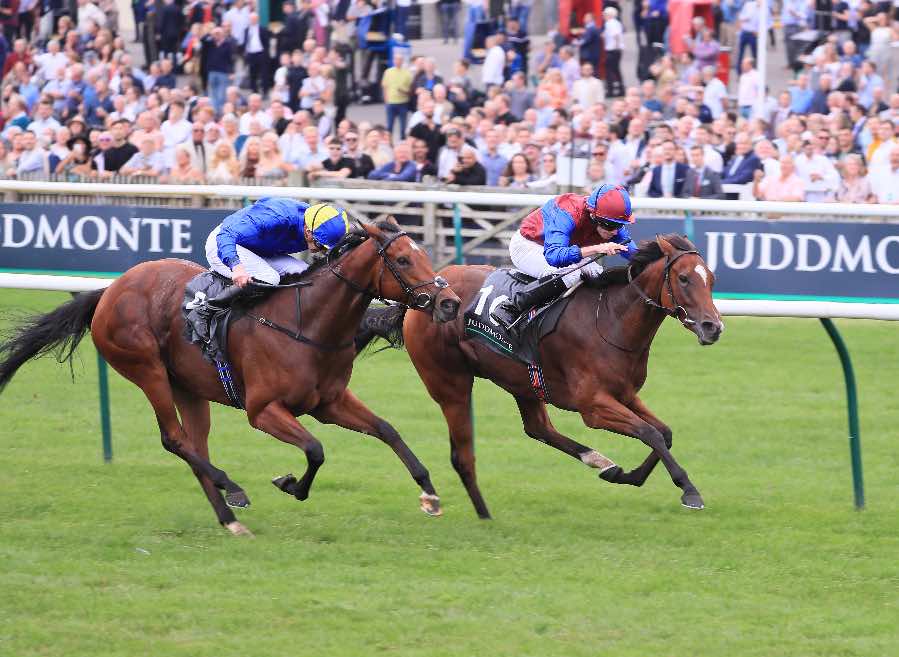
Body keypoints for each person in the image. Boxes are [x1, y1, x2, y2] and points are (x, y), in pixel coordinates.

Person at [490, 184, 636, 329]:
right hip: (527, 246)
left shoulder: (609, 219)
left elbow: (635, 254)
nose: (615, 232)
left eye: (620, 226)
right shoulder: (567, 212)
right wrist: (598, 248)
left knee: (598, 273)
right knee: (570, 275)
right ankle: (510, 307)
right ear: (593, 215)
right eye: (611, 225)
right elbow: (554, 256)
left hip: (561, 249)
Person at [205, 199, 350, 307]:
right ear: (308, 231)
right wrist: (236, 266)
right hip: (224, 243)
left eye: (326, 248)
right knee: (270, 278)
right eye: (320, 244)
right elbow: (226, 235)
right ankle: (208, 308)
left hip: (260, 250)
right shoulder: (276, 217)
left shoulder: (315, 222)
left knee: (306, 275)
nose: (321, 250)